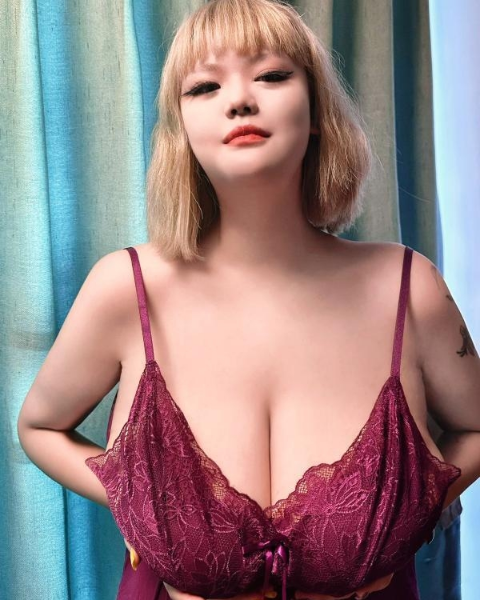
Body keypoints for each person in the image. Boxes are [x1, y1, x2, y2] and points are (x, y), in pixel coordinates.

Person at [17, 1, 480, 599]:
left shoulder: (406, 288)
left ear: (317, 112)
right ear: (181, 131)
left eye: (271, 75)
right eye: (205, 87)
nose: (238, 99)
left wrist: (417, 501)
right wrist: (139, 500)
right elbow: (38, 426)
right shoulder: (126, 288)